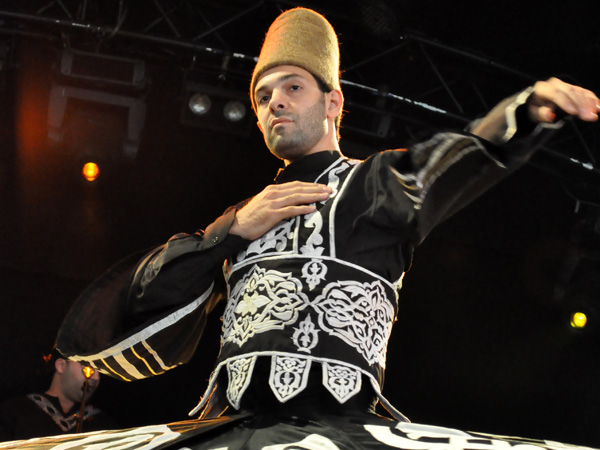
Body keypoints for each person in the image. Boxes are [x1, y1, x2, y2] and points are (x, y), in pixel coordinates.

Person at [3, 6, 598, 449]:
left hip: (342, 430)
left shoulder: (375, 186)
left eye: (293, 87)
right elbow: (130, 311)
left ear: (333, 103)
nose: (275, 103)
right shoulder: (246, 213)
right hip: (230, 430)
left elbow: (452, 160)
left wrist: (521, 113)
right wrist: (229, 232)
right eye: (263, 95)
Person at [0, 349, 116, 441]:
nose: (96, 378)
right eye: (87, 368)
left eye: (99, 370)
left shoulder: (103, 425)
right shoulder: (16, 411)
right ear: (61, 365)